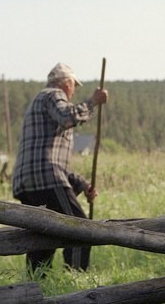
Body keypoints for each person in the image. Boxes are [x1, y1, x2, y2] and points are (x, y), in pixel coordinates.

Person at [12, 62, 108, 273]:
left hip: (29, 183)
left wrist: (82, 184)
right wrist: (93, 102)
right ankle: (75, 280)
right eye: (74, 86)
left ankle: (36, 285)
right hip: (46, 179)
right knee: (79, 228)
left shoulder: (41, 101)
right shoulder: (53, 95)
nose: (73, 92)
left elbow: (51, 161)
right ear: (67, 84)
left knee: (45, 233)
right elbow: (68, 118)